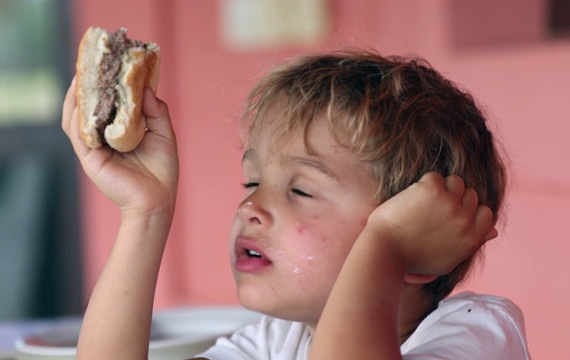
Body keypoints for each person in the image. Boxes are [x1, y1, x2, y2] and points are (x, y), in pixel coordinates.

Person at [61, 49, 530, 359]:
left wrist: (386, 245)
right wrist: (145, 213)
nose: (250, 207)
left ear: (420, 247)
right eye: (252, 181)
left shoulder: (477, 333)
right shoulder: (275, 342)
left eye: (301, 190)